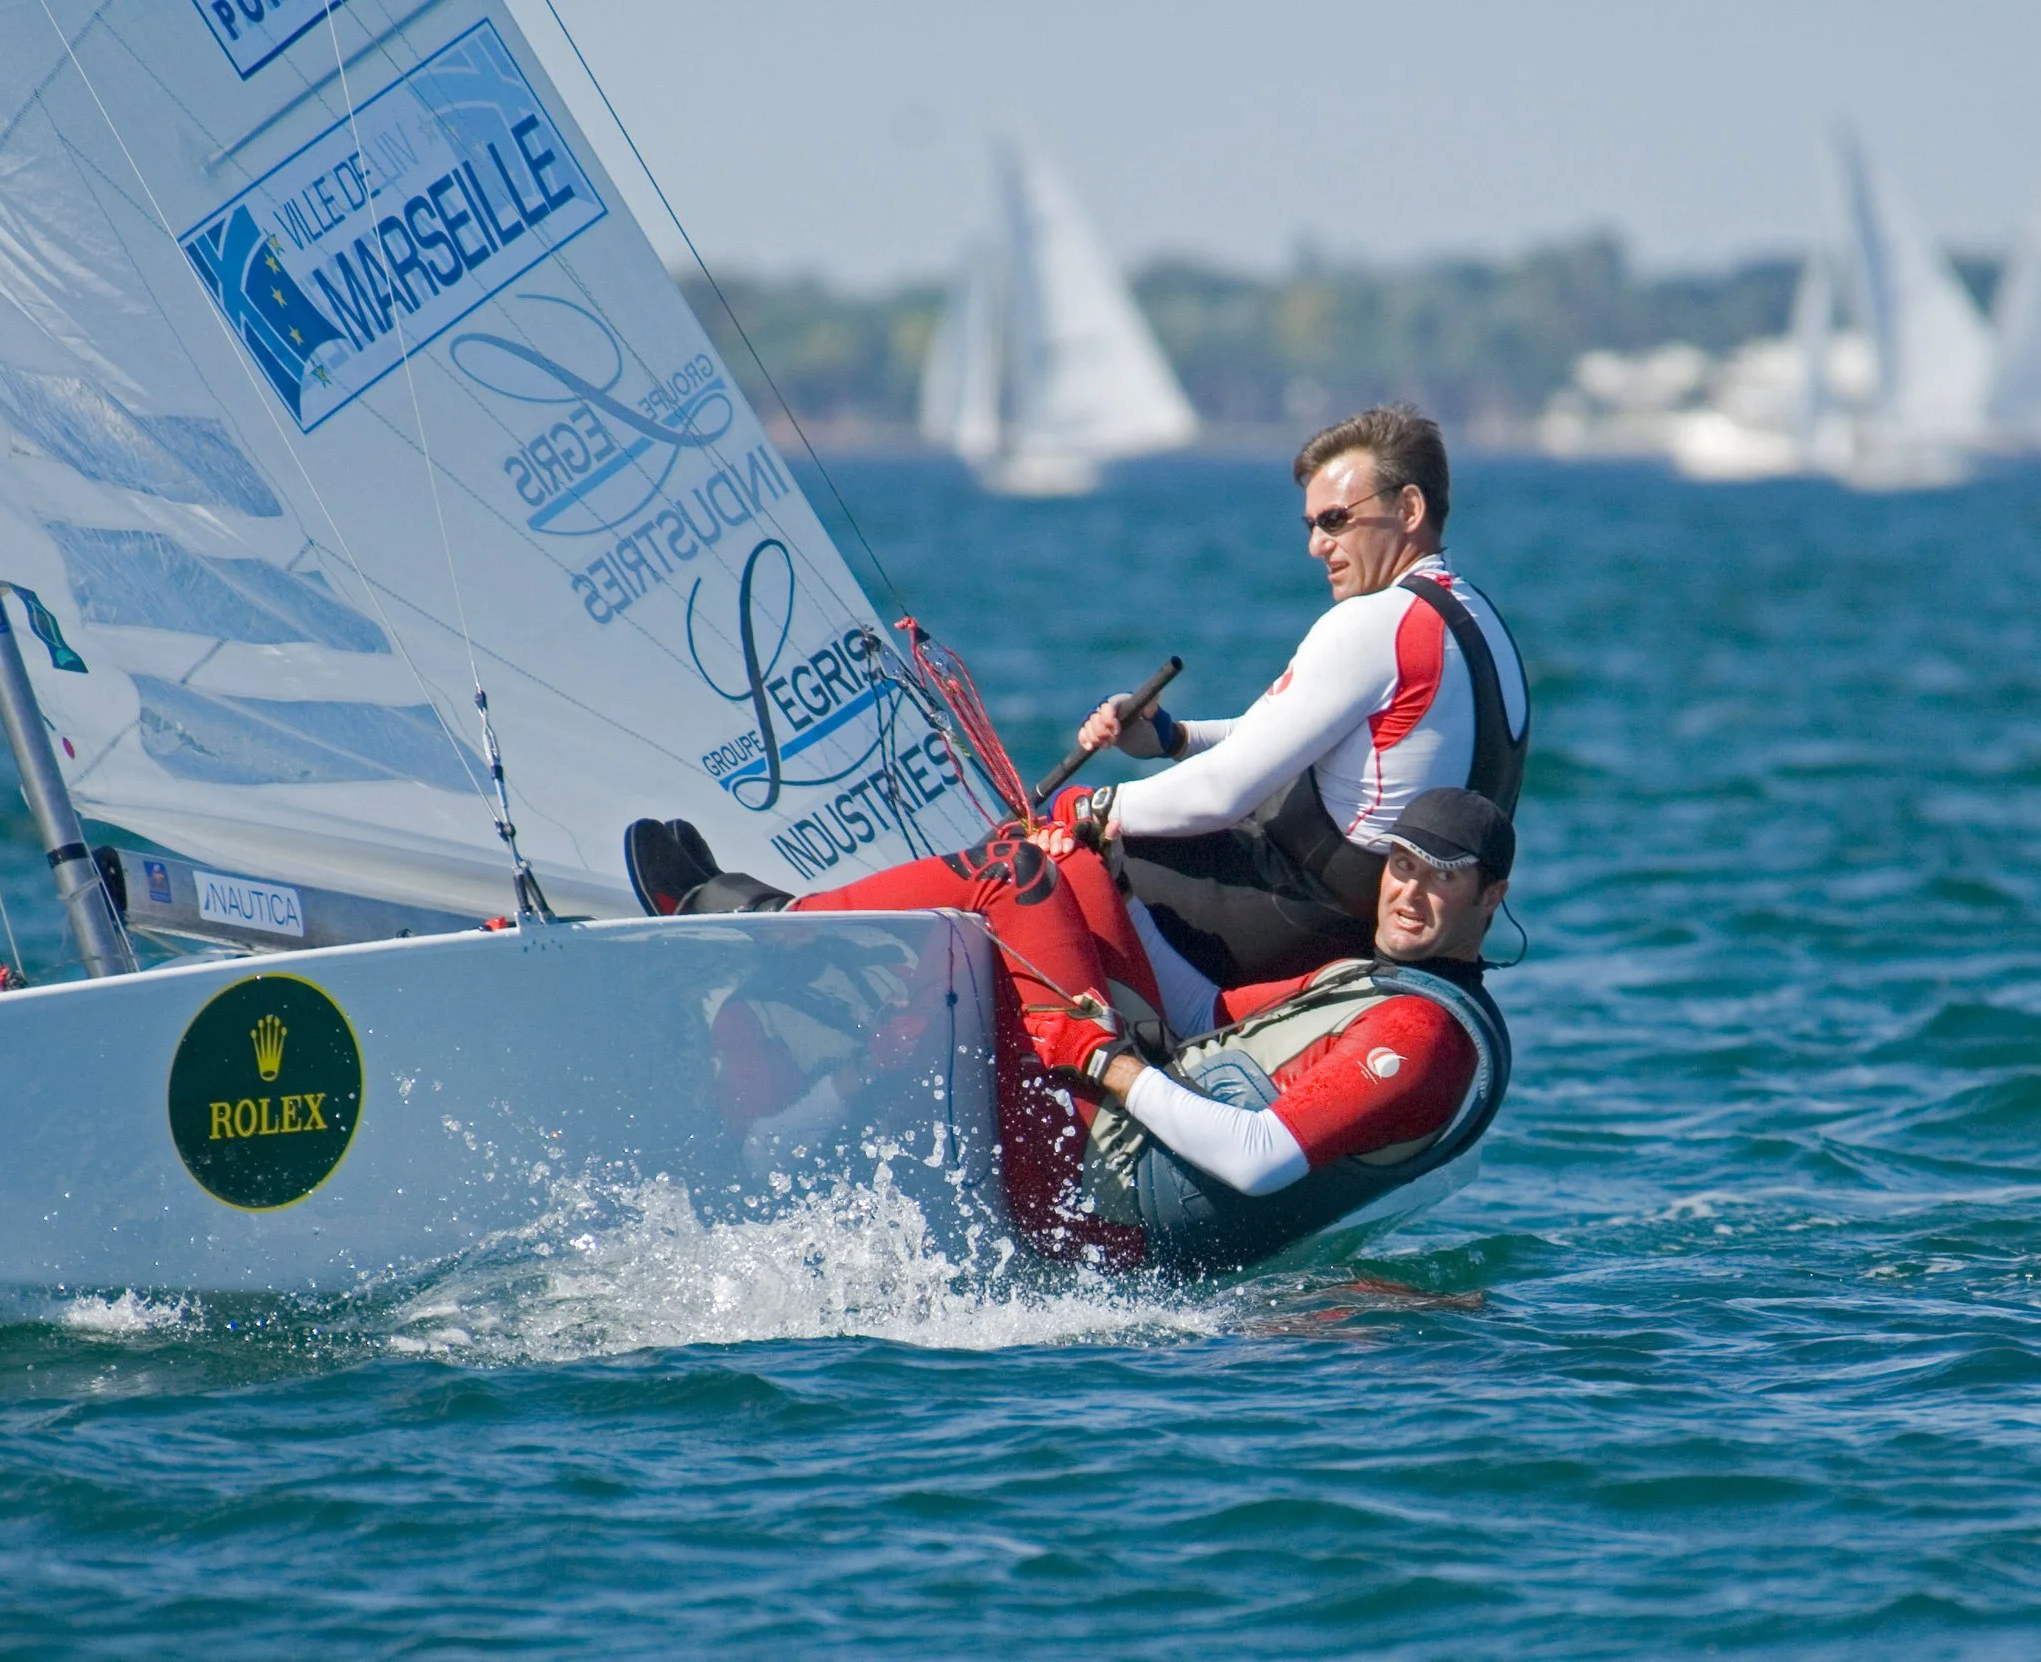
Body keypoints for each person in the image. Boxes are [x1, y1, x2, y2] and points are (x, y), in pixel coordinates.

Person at [624, 788, 1515, 1274]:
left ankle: (766, 923)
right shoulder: (1376, 981)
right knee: (1059, 856)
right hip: (1121, 1143)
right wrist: (1100, 889)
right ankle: (814, 1087)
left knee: (1005, 875)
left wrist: (1104, 1062)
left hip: (1096, 1207)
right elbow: (1200, 1017)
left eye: (1442, 879)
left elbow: (1258, 1157)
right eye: (1401, 865)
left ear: (1490, 897)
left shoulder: (1422, 1036)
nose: (1408, 891)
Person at [1061, 404, 1530, 994]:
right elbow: (1277, 737)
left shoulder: (1373, 623)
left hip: (1299, 921)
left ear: (1408, 509)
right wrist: (1174, 738)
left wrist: (1080, 811)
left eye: (1334, 520)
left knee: (1056, 865)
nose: (1316, 545)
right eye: (1310, 524)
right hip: (1374, 924)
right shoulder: (1482, 622)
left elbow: (1220, 793)